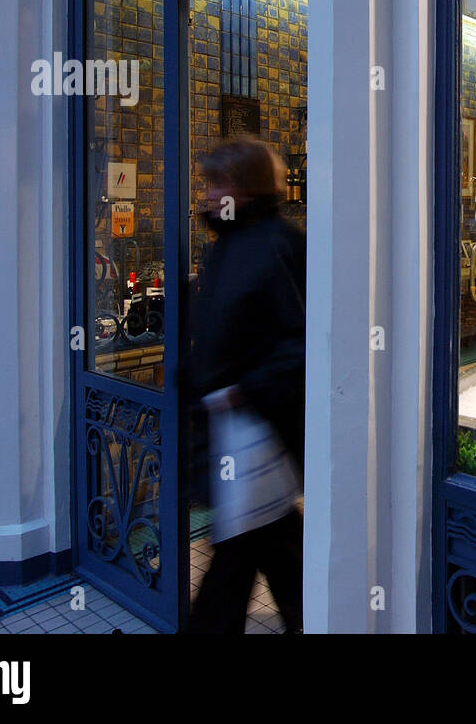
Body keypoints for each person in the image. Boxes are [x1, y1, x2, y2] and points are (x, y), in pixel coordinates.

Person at [185, 137, 305, 634]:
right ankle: (314, 614)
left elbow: (300, 343)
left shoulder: (279, 246)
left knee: (235, 555)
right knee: (271, 540)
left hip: (257, 432)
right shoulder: (228, 247)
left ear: (247, 189)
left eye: (219, 184)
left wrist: (243, 391)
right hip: (236, 432)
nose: (209, 195)